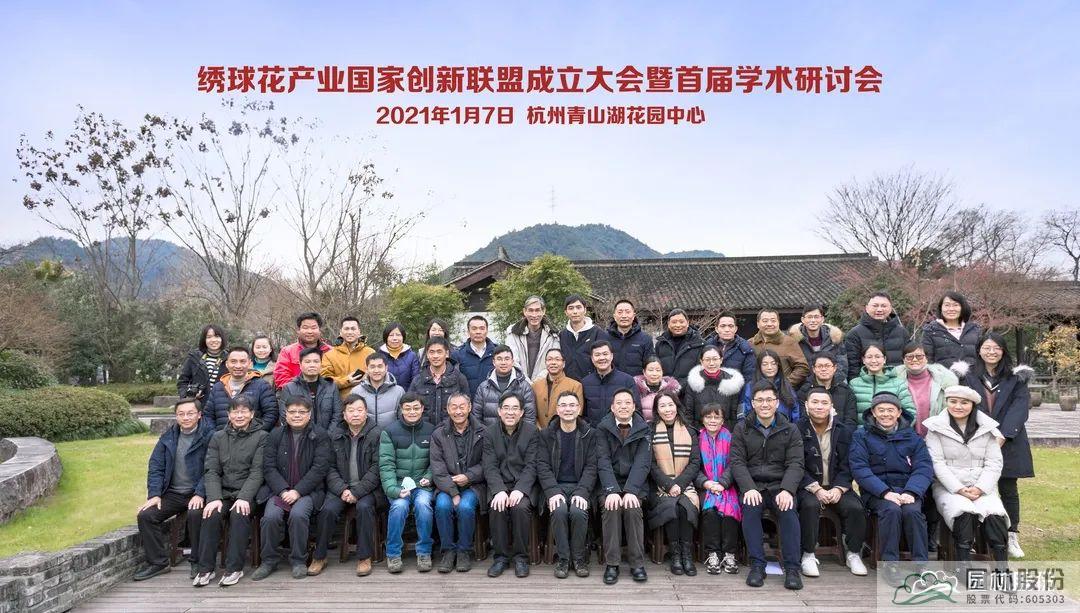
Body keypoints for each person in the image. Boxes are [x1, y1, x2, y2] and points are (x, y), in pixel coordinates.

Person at [956, 332, 1034, 558]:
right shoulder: (968, 376)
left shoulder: (1016, 378)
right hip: (976, 440)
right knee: (974, 487)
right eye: (987, 347)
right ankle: (973, 536)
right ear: (979, 350)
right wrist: (982, 433)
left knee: (1008, 489)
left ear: (1003, 351)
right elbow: (965, 405)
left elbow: (1019, 409)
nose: (992, 352)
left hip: (1008, 441)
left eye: (996, 348)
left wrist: (1002, 436)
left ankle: (1012, 534)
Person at [923, 385, 1010, 573]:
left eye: (964, 403)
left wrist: (980, 488)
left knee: (994, 513)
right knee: (963, 511)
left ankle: (1002, 568)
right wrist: (958, 488)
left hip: (982, 486)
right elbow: (936, 463)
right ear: (946, 402)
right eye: (953, 401)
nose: (958, 406)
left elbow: (994, 463)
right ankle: (963, 566)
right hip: (949, 486)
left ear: (972, 405)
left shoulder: (987, 429)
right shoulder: (935, 427)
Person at [730, 380, 805, 590]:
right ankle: (757, 565)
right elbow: (737, 462)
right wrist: (748, 487)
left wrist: (787, 489)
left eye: (769, 400)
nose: (765, 404)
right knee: (750, 508)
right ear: (752, 403)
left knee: (788, 511)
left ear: (777, 402)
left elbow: (796, 463)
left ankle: (792, 568)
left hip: (780, 485)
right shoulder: (742, 428)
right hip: (753, 484)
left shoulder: (790, 429)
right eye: (760, 400)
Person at [849, 392, 934, 577]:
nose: (886, 414)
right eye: (881, 410)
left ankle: (921, 564)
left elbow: (923, 467)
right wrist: (884, 492)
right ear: (873, 412)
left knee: (913, 512)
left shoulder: (912, 436)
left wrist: (912, 491)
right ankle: (889, 563)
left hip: (907, 490)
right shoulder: (861, 435)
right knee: (891, 510)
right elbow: (860, 468)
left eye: (890, 410)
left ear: (899, 412)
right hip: (877, 492)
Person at [251, 396, 332, 581]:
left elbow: (320, 468)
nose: (297, 415)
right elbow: (269, 467)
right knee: (270, 517)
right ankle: (268, 561)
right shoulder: (275, 435)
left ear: (309, 414)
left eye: (302, 412)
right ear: (285, 414)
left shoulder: (320, 435)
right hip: (279, 491)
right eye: (292, 412)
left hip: (308, 492)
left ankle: (298, 560)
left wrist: (298, 491)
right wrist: (283, 490)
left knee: (298, 515)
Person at [134, 398, 214, 582]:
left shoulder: (210, 436)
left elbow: (212, 468)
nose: (186, 417)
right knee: (146, 516)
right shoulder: (168, 438)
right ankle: (159, 562)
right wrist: (154, 495)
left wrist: (200, 493)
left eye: (190, 413)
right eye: (181, 414)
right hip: (173, 493)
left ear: (199, 415)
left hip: (199, 492)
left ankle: (197, 561)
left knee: (195, 514)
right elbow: (156, 467)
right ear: (176, 416)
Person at [194, 396, 268, 588]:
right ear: (228, 415)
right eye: (235, 411)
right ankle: (205, 568)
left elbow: (257, 472)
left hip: (249, 493)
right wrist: (214, 498)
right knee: (211, 513)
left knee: (239, 513)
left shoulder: (262, 437)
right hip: (223, 492)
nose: (239, 415)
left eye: (244, 411)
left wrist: (244, 497)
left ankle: (234, 568)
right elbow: (211, 470)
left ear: (252, 414)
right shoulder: (218, 437)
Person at [310, 394, 386, 577]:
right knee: (327, 510)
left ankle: (364, 557)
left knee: (364, 508)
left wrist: (357, 492)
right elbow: (329, 467)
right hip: (341, 489)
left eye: (359, 410)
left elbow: (377, 469)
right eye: (351, 411)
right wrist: (342, 490)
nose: (355, 414)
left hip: (367, 490)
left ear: (366, 412)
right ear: (344, 415)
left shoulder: (377, 434)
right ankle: (319, 556)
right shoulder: (335, 435)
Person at [796, 387, 867, 578]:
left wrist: (839, 488)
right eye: (815, 402)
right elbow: (795, 464)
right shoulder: (796, 429)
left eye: (824, 403)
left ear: (831, 406)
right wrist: (816, 488)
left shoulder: (844, 431)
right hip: (808, 487)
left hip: (837, 486)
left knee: (855, 508)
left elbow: (849, 464)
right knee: (809, 506)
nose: (819, 406)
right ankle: (808, 554)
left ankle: (853, 553)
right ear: (806, 405)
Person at [536, 391, 597, 579]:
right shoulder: (546, 434)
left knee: (578, 511)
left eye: (572, 405)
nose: (567, 409)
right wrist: (553, 491)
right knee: (559, 510)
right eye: (563, 405)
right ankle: (563, 559)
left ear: (579, 409)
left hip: (581, 487)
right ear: (557, 409)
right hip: (556, 487)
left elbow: (592, 466)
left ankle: (578, 559)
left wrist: (582, 491)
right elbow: (542, 466)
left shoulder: (590, 434)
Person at [595, 388, 651, 585]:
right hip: (609, 483)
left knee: (632, 508)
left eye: (627, 402)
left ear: (634, 406)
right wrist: (612, 490)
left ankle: (637, 564)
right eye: (619, 403)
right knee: (611, 507)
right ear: (612, 407)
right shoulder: (602, 428)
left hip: (635, 484)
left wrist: (631, 490)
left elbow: (643, 463)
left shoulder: (644, 429)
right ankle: (612, 563)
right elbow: (602, 461)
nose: (623, 406)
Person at [482, 392, 540, 579]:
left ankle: (521, 557)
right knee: (497, 506)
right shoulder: (489, 433)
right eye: (506, 408)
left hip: (524, 485)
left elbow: (532, 465)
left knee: (520, 507)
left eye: (515, 408)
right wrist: (498, 490)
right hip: (499, 484)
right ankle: (500, 558)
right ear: (499, 411)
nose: (510, 412)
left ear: (522, 412)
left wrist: (520, 489)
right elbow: (489, 466)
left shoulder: (532, 432)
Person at [379, 393, 436, 573]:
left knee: (423, 505)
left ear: (422, 409)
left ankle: (424, 551)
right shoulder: (389, 431)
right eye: (408, 408)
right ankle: (393, 553)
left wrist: (430, 476)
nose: (412, 412)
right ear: (401, 409)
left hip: (422, 484)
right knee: (399, 507)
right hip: (398, 484)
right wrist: (393, 490)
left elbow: (437, 460)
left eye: (416, 408)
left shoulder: (432, 430)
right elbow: (386, 464)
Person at [429, 393, 485, 574]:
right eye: (454, 407)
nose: (458, 411)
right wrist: (453, 492)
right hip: (446, 485)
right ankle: (448, 551)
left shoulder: (482, 432)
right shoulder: (439, 434)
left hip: (473, 485)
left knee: (465, 507)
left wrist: (468, 476)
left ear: (470, 408)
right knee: (442, 506)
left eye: (462, 407)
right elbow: (437, 468)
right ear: (447, 409)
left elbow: (487, 464)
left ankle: (463, 551)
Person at [647, 391, 701, 577]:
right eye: (662, 406)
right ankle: (675, 554)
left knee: (685, 508)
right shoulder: (650, 431)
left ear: (677, 406)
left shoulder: (690, 430)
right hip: (660, 486)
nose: (667, 409)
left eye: (670, 405)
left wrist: (679, 484)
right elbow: (650, 464)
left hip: (685, 485)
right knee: (673, 508)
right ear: (657, 410)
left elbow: (695, 462)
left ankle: (687, 554)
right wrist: (669, 485)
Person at [695, 403, 742, 575]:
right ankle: (713, 554)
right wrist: (706, 483)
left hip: (727, 485)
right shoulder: (696, 439)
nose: (712, 420)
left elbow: (735, 463)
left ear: (723, 420)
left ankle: (729, 554)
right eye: (708, 417)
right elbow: (694, 466)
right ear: (703, 419)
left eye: (717, 417)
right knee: (711, 512)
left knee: (730, 511)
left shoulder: (731, 438)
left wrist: (722, 483)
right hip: (705, 486)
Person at [203, 346, 278, 431]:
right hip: (222, 437)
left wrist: (256, 435)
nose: (238, 366)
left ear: (249, 363)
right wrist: (216, 436)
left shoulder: (262, 385)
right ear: (227, 364)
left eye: (242, 361)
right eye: (233, 361)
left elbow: (271, 414)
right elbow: (208, 416)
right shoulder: (218, 387)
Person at [893, 342, 958, 436]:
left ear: (926, 358)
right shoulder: (894, 381)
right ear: (903, 360)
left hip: (938, 435)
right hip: (905, 436)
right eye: (909, 357)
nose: (914, 359)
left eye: (919, 356)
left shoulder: (945, 382)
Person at [844, 293, 910, 381]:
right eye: (875, 306)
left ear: (890, 308)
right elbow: (852, 367)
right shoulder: (855, 334)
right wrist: (855, 385)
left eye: (883, 306)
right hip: (867, 384)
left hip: (898, 383)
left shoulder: (902, 332)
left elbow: (909, 360)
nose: (879, 309)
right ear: (867, 308)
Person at [410, 337, 470, 426]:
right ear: (427, 355)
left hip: (451, 429)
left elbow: (467, 406)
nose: (435, 356)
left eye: (439, 352)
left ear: (447, 354)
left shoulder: (459, 378)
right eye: (432, 352)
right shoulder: (418, 380)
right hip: (425, 430)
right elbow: (408, 405)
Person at [278, 347, 342, 431]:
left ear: (321, 364)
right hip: (299, 436)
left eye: (316, 361)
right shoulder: (289, 388)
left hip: (328, 435)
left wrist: (327, 435)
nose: (312, 365)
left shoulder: (331, 387)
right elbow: (285, 415)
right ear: (300, 365)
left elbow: (337, 415)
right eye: (307, 362)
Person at [473, 344, 538, 427]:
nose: (503, 362)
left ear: (512, 361)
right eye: (499, 359)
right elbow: (476, 418)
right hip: (489, 434)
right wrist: (487, 434)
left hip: (518, 434)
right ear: (493, 362)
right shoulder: (483, 388)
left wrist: (522, 435)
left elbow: (530, 418)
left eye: (507, 359)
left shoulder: (524, 387)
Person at [850, 344, 915, 423]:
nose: (874, 361)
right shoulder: (854, 384)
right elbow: (849, 414)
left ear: (884, 359)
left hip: (892, 430)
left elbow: (910, 412)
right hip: (861, 430)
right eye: (869, 357)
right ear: (863, 360)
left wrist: (899, 429)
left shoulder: (898, 383)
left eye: (877, 357)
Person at [580, 340, 640, 427]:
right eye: (597, 355)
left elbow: (636, 409)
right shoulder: (585, 383)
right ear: (592, 359)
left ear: (611, 356)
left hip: (620, 432)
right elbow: (582, 413)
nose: (601, 358)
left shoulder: (627, 380)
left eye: (605, 354)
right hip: (594, 432)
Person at [683, 345, 745, 427]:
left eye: (715, 359)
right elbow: (689, 413)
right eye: (707, 360)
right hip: (699, 430)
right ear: (701, 361)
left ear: (721, 360)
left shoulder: (732, 382)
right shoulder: (694, 382)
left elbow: (733, 414)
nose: (711, 363)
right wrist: (694, 432)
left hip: (725, 431)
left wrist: (728, 432)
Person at [505, 295, 560, 382]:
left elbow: (554, 361)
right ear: (525, 311)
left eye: (537, 310)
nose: (534, 315)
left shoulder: (553, 335)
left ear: (543, 311)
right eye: (530, 310)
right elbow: (512, 361)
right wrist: (526, 382)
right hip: (519, 383)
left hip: (545, 383)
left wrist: (537, 382)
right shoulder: (513, 334)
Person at [921, 292, 983, 369]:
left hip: (973, 376)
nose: (951, 309)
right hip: (943, 376)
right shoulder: (931, 331)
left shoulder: (974, 330)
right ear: (941, 308)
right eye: (947, 305)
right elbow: (927, 361)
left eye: (955, 305)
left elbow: (981, 358)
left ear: (963, 307)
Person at [749, 309, 810, 388]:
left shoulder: (789, 342)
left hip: (782, 391)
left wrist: (786, 385)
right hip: (757, 391)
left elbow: (802, 367)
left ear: (778, 323)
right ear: (758, 324)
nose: (769, 324)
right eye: (765, 321)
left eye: (773, 321)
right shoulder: (750, 343)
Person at [321, 315, 376, 399]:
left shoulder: (370, 353)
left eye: (353, 329)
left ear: (359, 332)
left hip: (366, 402)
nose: (350, 332)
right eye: (346, 329)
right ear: (340, 332)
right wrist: (347, 381)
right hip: (338, 403)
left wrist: (368, 378)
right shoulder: (329, 355)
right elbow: (324, 382)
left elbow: (379, 376)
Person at [274, 312, 332, 389]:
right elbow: (281, 378)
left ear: (320, 330)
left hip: (326, 393)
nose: (309, 331)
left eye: (313, 328)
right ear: (298, 330)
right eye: (305, 328)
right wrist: (305, 389)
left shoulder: (330, 351)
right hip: (295, 394)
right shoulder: (287, 352)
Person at [797, 353, 858, 427]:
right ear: (813, 369)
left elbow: (851, 421)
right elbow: (802, 419)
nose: (823, 369)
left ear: (834, 368)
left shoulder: (846, 391)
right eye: (819, 366)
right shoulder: (804, 391)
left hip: (840, 432)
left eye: (827, 366)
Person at [559, 294, 609, 381]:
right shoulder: (562, 335)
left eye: (578, 307)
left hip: (592, 384)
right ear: (566, 312)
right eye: (571, 308)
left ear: (585, 310)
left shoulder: (598, 333)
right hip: (568, 384)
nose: (575, 311)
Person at [788, 305, 848, 378]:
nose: (813, 320)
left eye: (816, 317)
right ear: (803, 319)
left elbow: (842, 365)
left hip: (831, 381)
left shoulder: (834, 338)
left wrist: (829, 381)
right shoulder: (794, 340)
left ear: (822, 319)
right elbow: (791, 367)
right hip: (803, 382)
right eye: (809, 317)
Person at [743, 350, 801, 422]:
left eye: (773, 364)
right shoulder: (751, 386)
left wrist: (793, 426)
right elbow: (746, 411)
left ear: (778, 365)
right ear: (759, 366)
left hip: (785, 426)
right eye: (765, 364)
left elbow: (795, 409)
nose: (770, 367)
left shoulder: (786, 384)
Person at [532, 348, 584, 428]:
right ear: (545, 363)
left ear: (563, 364)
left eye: (557, 359)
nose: (553, 362)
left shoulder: (575, 386)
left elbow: (577, 413)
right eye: (549, 359)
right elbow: (532, 412)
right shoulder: (535, 385)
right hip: (539, 432)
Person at [655, 308, 705, 388]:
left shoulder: (699, 344)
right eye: (674, 322)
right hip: (665, 391)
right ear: (668, 324)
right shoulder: (660, 344)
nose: (678, 325)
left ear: (687, 323)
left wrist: (679, 387)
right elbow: (655, 369)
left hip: (690, 391)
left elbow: (701, 372)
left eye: (681, 322)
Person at [354, 352, 406, 428]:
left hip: (390, 434)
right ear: (367, 369)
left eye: (380, 366)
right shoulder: (356, 391)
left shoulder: (399, 391)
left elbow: (403, 419)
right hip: (365, 434)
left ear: (386, 368)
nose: (376, 370)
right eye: (372, 367)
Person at [606, 299, 654, 378]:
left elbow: (650, 366)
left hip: (636, 384)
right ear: (614, 316)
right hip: (610, 383)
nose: (624, 316)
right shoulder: (604, 338)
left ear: (633, 315)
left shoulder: (645, 339)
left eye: (627, 312)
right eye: (620, 312)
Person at [705, 312, 756, 385]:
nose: (727, 330)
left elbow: (749, 378)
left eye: (730, 326)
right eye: (723, 326)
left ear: (735, 329)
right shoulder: (707, 345)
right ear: (716, 329)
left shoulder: (746, 348)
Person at [177, 324, 227, 400]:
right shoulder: (194, 357)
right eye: (209, 337)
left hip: (222, 403)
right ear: (204, 340)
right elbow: (182, 381)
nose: (213, 340)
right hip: (199, 403)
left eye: (217, 336)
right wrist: (187, 396)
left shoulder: (230, 358)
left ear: (222, 338)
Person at [453, 315, 498, 397]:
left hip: (493, 401)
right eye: (474, 329)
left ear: (487, 331)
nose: (478, 332)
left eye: (482, 328)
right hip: (468, 402)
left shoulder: (497, 352)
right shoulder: (458, 354)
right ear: (468, 332)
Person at [633, 356, 681, 423]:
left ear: (662, 372)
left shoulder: (672, 389)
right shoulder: (635, 388)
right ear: (644, 372)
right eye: (651, 370)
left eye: (658, 370)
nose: (654, 374)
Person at [378, 322, 421, 392]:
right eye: (391, 335)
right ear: (386, 337)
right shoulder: (379, 356)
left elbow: (416, 379)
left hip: (408, 396)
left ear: (403, 337)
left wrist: (408, 396)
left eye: (398, 335)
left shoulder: (412, 356)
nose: (395, 338)